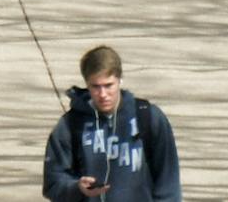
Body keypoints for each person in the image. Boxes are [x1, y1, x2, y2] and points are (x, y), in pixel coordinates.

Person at [41, 46, 181, 202]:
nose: (103, 94)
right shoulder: (70, 125)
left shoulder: (148, 117)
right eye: (95, 87)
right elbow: (53, 183)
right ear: (87, 84)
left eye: (109, 85)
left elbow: (169, 182)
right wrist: (76, 188)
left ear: (120, 80)